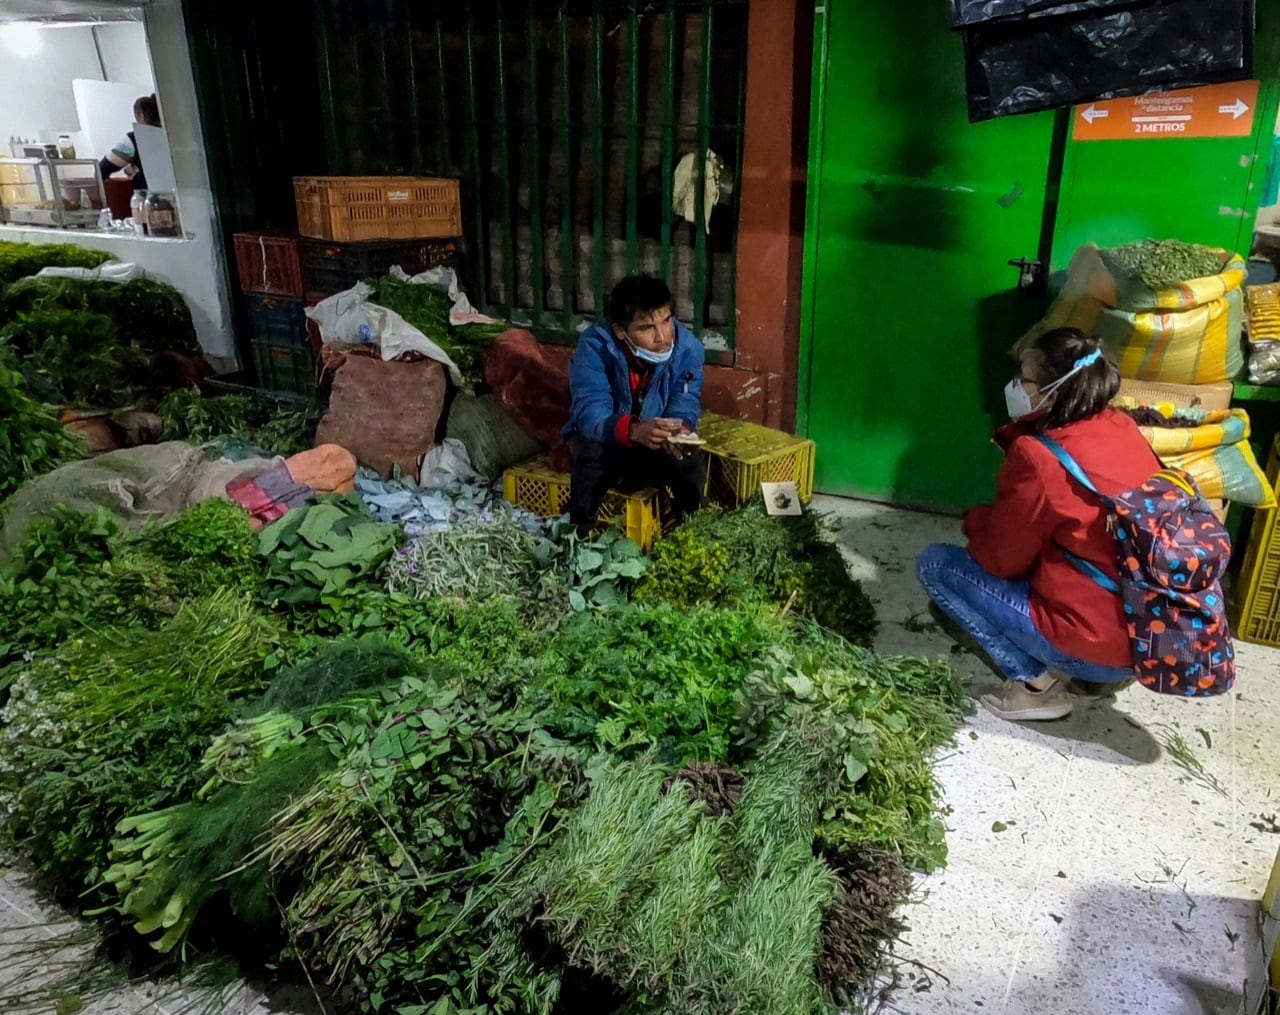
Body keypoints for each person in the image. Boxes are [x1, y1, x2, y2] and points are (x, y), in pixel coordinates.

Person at [916, 326, 1161, 723]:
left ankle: (1036, 685)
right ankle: (1100, 669)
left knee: (937, 565)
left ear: (1055, 389)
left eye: (1024, 379)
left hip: (1099, 645)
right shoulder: (1121, 426)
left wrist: (977, 520)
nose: (1015, 386)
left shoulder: (1041, 457)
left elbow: (1000, 560)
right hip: (1147, 634)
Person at [564, 275, 707, 533]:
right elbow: (589, 413)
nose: (662, 337)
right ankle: (579, 533)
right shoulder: (594, 348)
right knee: (592, 452)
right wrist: (632, 430)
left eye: (666, 321)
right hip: (611, 438)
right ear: (621, 331)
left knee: (689, 459)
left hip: (653, 441)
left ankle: (692, 532)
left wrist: (678, 431)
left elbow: (685, 400)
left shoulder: (687, 349)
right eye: (646, 328)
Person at [99, 94, 160, 193]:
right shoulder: (177, 136)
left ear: (141, 116)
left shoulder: (134, 139)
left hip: (150, 201)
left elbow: (102, 169)